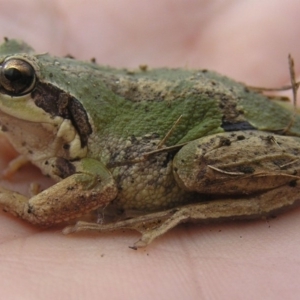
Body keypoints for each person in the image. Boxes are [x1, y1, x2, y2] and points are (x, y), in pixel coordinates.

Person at [0, 1, 299, 299]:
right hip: (209, 101)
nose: (8, 83)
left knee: (192, 165)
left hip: (228, 126)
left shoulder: (75, 141)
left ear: (55, 102)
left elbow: (96, 184)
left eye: (13, 79)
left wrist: (30, 208)